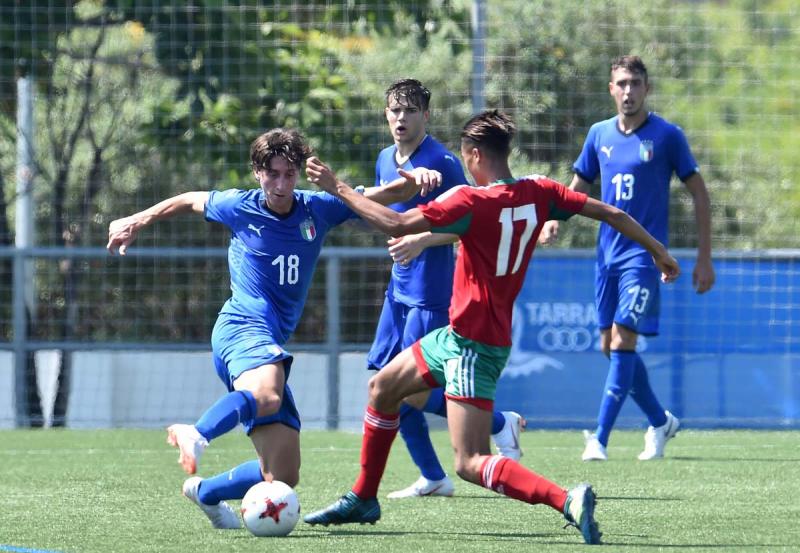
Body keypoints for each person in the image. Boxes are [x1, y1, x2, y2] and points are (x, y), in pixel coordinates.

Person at [303, 109, 681, 545]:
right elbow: (612, 213)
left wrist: (338, 188)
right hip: (458, 336)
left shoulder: (470, 200)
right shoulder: (540, 193)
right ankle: (364, 497)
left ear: (475, 154)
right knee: (383, 389)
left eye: (466, 158)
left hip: (473, 345)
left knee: (469, 461)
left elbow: (398, 222)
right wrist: (659, 252)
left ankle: (566, 500)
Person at [106, 128, 441, 530]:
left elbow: (374, 198)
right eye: (273, 174)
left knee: (281, 476)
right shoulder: (239, 206)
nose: (281, 184)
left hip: (267, 341)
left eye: (289, 174)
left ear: (299, 173)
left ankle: (206, 493)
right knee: (265, 395)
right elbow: (188, 199)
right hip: (240, 329)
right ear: (257, 172)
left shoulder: (317, 209)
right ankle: (197, 432)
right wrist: (136, 219)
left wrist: (411, 183)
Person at [539, 55, 715, 461]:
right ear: (610, 89)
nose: (628, 91)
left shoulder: (667, 136)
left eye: (635, 83)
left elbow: (700, 193)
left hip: (645, 258)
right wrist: (554, 220)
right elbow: (578, 185)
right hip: (607, 258)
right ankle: (659, 421)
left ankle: (599, 437)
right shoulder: (598, 134)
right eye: (621, 83)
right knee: (610, 346)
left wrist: (705, 258)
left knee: (622, 339)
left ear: (646, 89)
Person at [369, 79, 525, 500]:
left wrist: (421, 239)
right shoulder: (386, 158)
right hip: (397, 290)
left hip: (430, 292)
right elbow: (385, 211)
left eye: (410, 111)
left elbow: (469, 229)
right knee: (384, 384)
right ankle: (433, 476)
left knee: (410, 395)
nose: (401, 118)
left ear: (426, 115)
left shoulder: (445, 163)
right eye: (394, 111)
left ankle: (497, 423)